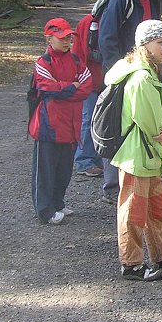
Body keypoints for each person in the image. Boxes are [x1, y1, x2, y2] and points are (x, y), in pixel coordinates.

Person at [104, 20, 162, 281]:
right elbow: (153, 127)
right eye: (160, 42)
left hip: (148, 156)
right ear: (144, 45)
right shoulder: (142, 79)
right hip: (137, 157)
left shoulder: (151, 73)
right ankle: (131, 265)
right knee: (133, 212)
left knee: (157, 210)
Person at [98, 0, 162, 204]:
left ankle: (142, 178)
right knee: (117, 123)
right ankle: (113, 187)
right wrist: (118, 71)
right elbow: (107, 38)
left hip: (145, 69)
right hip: (123, 69)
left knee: (143, 122)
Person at [29, 18, 93, 225]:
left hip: (71, 126)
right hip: (48, 126)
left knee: (64, 169)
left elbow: (86, 86)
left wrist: (65, 88)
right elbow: (48, 88)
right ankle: (44, 211)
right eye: (62, 38)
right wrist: (72, 86)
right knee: (45, 171)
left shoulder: (76, 60)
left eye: (68, 38)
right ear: (49, 39)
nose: (67, 42)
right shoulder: (42, 63)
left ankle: (57, 203)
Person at [71, 12, 105, 177]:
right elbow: (79, 54)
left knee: (102, 121)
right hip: (90, 82)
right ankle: (83, 161)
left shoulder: (115, 19)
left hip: (105, 81)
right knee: (89, 120)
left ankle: (97, 158)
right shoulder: (88, 23)